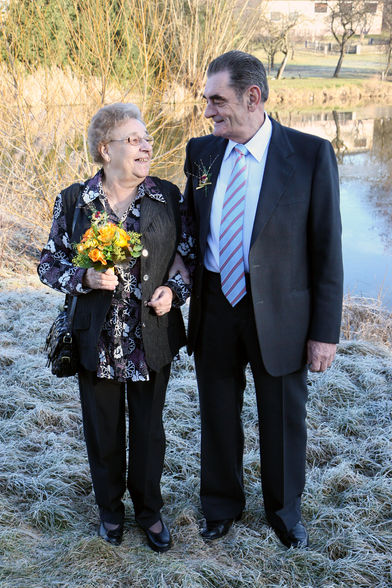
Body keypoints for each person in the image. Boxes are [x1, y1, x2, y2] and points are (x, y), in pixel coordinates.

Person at [183, 51, 343, 548]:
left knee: (281, 417)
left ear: (253, 97)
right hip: (214, 305)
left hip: (281, 313)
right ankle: (221, 505)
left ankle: (284, 512)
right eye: (207, 101)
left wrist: (324, 333)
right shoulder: (202, 153)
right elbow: (191, 225)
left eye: (217, 101)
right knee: (216, 410)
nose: (208, 112)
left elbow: (327, 252)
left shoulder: (311, 155)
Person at [38, 103, 193, 552]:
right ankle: (109, 511)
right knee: (103, 431)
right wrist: (83, 278)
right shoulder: (73, 201)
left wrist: (173, 292)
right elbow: (48, 264)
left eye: (147, 138)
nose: (147, 146)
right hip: (96, 339)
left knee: (149, 431)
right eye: (134, 139)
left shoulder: (168, 196)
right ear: (106, 150)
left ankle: (149, 511)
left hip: (152, 337)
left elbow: (188, 260)